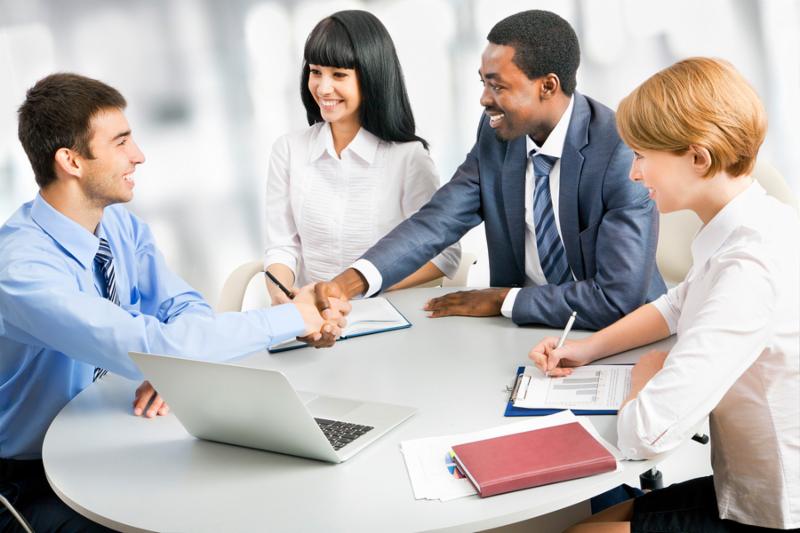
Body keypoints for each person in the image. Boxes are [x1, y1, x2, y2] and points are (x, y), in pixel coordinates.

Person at [0, 73, 345, 532]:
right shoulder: (22, 270)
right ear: (71, 161)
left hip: (116, 433)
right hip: (33, 481)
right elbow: (155, 340)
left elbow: (183, 308)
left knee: (253, 500)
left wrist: (171, 366)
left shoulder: (120, 226)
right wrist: (292, 316)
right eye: (121, 142)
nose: (138, 155)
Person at [530, 58, 800, 531]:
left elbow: (644, 436)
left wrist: (646, 376)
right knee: (590, 517)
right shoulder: (752, 225)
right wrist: (585, 349)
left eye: (642, 156)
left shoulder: (749, 268)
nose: (634, 174)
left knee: (577, 529)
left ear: (698, 157)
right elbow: (676, 304)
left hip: (776, 508)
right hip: (743, 482)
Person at [312, 10, 666, 332]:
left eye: (497, 86)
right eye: (483, 82)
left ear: (547, 86)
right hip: (520, 332)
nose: (483, 98)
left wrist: (502, 300)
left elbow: (618, 299)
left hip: (619, 335)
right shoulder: (498, 137)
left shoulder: (619, 151)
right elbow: (435, 222)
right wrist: (346, 284)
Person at [264, 9, 460, 306]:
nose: (323, 87)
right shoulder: (288, 150)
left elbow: (445, 255)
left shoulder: (408, 158)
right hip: (310, 317)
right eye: (316, 72)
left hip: (383, 314)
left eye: (339, 74)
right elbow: (282, 247)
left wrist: (361, 290)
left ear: (371, 78)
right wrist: (284, 297)